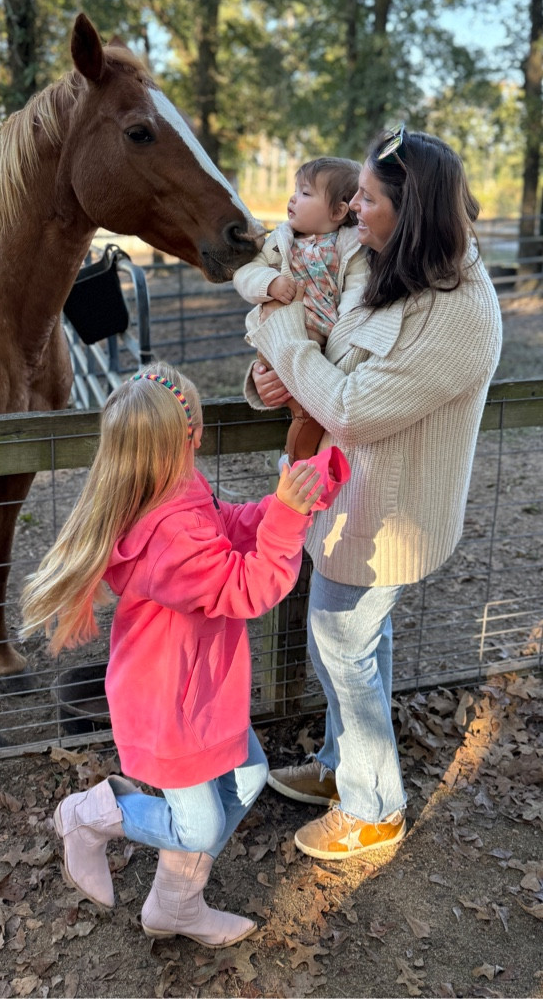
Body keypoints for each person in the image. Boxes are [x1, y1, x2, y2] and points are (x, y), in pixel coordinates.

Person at [242, 125, 502, 861]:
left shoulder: (458, 309)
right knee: (353, 647)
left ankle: (372, 808)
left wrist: (283, 345)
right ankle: (339, 767)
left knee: (345, 648)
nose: (353, 205)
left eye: (368, 196)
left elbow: (351, 407)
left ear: (410, 210)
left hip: (387, 520)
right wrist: (273, 379)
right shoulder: (384, 263)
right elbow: (331, 360)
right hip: (346, 506)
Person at [21, 363, 349, 944]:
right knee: (197, 827)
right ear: (184, 436)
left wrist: (278, 507)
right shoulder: (166, 536)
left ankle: (176, 906)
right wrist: (288, 521)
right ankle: (90, 814)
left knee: (246, 779)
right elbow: (247, 588)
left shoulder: (177, 486)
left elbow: (223, 526)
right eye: (196, 426)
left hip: (201, 687)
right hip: (168, 699)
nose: (201, 437)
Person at [233, 156, 364, 462]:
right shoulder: (280, 242)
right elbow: (245, 273)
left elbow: (358, 291)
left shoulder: (352, 248)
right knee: (301, 406)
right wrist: (271, 282)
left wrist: (344, 327)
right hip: (278, 336)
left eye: (306, 193)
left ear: (337, 211)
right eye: (296, 190)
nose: (293, 198)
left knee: (310, 412)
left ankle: (298, 464)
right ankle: (298, 464)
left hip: (320, 342)